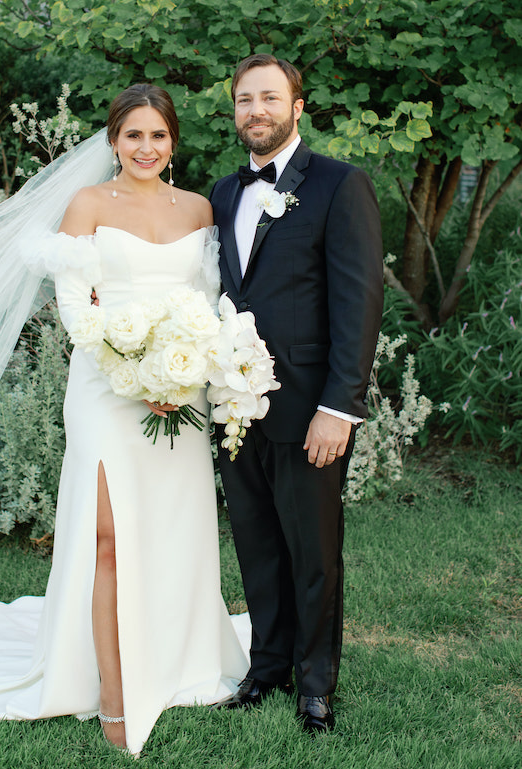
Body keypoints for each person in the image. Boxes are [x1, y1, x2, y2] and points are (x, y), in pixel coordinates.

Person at [0, 84, 248, 756]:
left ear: (173, 142)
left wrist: (185, 375)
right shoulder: (90, 204)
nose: (146, 148)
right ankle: (113, 690)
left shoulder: (199, 209)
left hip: (180, 389)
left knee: (172, 526)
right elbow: (75, 306)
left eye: (158, 135)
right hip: (106, 384)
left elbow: (208, 301)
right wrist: (132, 370)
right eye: (133, 136)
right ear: (113, 141)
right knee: (105, 535)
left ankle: (175, 653)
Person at [210, 55, 383, 731]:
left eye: (269, 97)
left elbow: (358, 302)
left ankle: (316, 685)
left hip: (311, 407)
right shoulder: (224, 193)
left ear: (297, 107)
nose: (256, 109)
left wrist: (338, 408)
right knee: (256, 543)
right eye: (244, 99)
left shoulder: (341, 186)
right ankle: (268, 666)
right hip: (237, 408)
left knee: (313, 551)